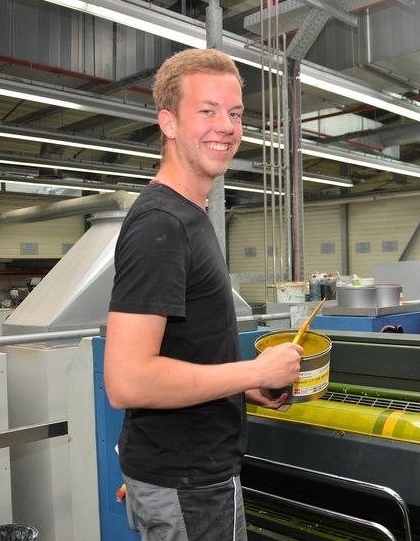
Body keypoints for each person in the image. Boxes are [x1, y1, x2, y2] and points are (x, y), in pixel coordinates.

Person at [104, 48, 303, 541]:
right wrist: (256, 371)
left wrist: (244, 388)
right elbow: (127, 381)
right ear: (169, 122)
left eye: (235, 113)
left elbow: (185, 350)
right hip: (187, 482)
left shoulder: (190, 216)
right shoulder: (162, 224)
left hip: (194, 474)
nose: (227, 127)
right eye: (207, 111)